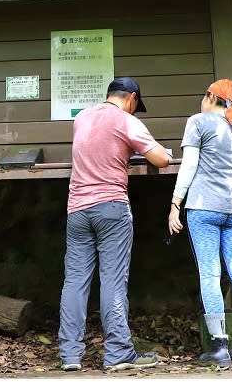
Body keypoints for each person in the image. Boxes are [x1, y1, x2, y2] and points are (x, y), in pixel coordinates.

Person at [59, 77, 171, 372]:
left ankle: (70, 355)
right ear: (131, 98)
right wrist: (165, 152)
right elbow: (159, 159)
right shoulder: (125, 121)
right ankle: (118, 352)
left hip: (77, 211)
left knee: (75, 281)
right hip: (111, 209)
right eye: (136, 106)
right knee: (112, 281)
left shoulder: (82, 117)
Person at [167, 79, 232, 369]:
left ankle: (219, 346)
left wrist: (175, 204)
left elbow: (189, 166)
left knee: (210, 275)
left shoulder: (199, 122)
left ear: (211, 98)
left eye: (203, 96)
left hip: (204, 208)